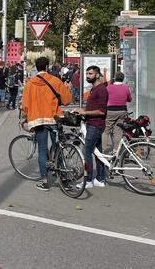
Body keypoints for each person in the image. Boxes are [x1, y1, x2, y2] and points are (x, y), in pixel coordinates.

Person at [20, 57, 72, 191]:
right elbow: (67, 100)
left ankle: (44, 181)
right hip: (53, 118)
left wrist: (25, 118)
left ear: (36, 67)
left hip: (38, 120)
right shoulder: (55, 81)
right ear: (47, 67)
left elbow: (25, 104)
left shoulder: (30, 83)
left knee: (42, 150)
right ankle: (64, 176)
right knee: (58, 147)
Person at [75, 65, 108, 189]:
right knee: (98, 153)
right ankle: (100, 179)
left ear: (97, 75)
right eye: (87, 74)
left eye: (90, 74)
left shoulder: (101, 89)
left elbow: (101, 111)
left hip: (95, 125)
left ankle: (88, 180)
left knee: (86, 151)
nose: (88, 76)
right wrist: (82, 110)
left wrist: (85, 113)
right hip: (93, 124)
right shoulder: (94, 88)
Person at [103, 72, 132, 154]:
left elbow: (104, 98)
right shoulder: (126, 88)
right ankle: (116, 150)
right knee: (118, 131)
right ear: (123, 79)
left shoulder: (108, 87)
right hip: (122, 111)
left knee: (106, 130)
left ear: (114, 78)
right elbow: (129, 99)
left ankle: (104, 149)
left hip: (110, 110)